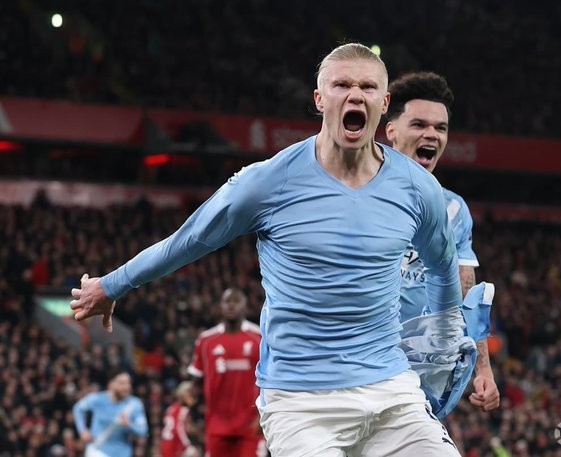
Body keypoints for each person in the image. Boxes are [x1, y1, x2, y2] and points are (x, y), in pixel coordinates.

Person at [70, 42, 464, 456]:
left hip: (390, 390)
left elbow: (443, 265)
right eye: (341, 85)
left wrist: (445, 340)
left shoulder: (418, 188)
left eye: (367, 87)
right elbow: (188, 240)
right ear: (319, 99)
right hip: (301, 403)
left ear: (383, 104)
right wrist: (111, 285)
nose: (354, 95)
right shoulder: (268, 182)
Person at [385, 71, 500, 414]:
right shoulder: (357, 193)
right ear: (390, 131)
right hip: (354, 365)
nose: (431, 134)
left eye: (441, 128)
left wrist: (483, 369)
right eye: (419, 124)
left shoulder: (453, 209)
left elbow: (466, 292)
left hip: (415, 379)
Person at [188, 288, 264, 457]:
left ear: (245, 306)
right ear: (220, 306)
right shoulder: (206, 341)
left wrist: (264, 415)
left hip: (251, 426)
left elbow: (270, 380)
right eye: (227, 301)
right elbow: (196, 384)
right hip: (217, 427)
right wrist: (187, 411)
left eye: (236, 301)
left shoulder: (259, 338)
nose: (231, 305)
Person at [72, 371, 148, 457]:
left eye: (128, 383)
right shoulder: (98, 399)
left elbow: (143, 431)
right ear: (111, 384)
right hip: (98, 451)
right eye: (122, 383)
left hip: (122, 454)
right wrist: (82, 430)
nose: (127, 387)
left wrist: (130, 425)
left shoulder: (135, 404)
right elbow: (78, 408)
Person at [160, 381, 199, 457]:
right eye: (193, 396)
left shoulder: (171, 408)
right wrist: (187, 446)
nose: (195, 400)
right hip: (175, 445)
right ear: (184, 395)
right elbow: (179, 429)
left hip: (165, 444)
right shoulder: (183, 410)